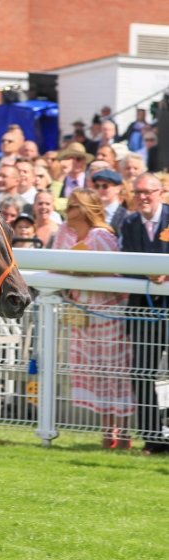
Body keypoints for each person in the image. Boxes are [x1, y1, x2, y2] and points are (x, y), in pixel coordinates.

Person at [52, 188, 134, 449]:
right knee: (94, 372)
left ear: (87, 209)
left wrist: (89, 273)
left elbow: (119, 274)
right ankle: (107, 431)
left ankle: (123, 434)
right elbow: (52, 264)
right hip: (80, 312)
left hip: (107, 311)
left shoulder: (101, 236)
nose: (69, 210)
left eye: (74, 205)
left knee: (115, 372)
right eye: (68, 204)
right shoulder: (64, 232)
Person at [120, 173, 169, 455]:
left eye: (147, 192)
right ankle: (153, 439)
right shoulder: (129, 223)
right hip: (142, 310)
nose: (142, 197)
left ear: (160, 192)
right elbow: (124, 262)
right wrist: (147, 273)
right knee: (142, 372)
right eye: (138, 192)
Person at [91, 169, 128, 235]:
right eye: (97, 186)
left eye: (105, 186)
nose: (100, 190)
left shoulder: (126, 216)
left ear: (118, 189)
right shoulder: (90, 213)